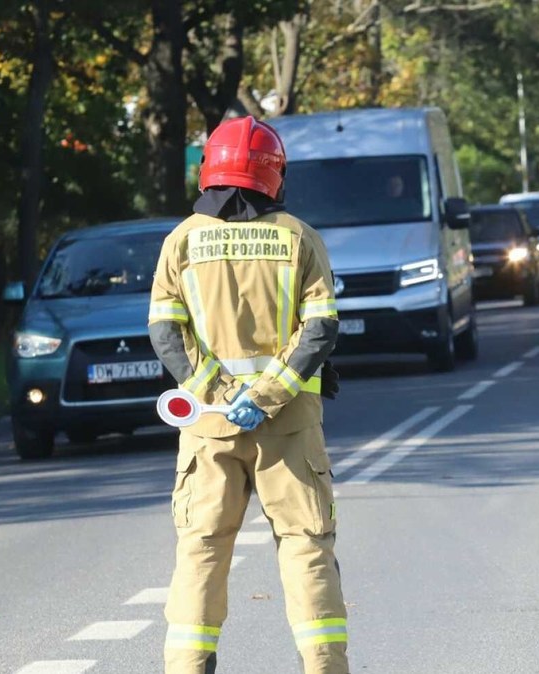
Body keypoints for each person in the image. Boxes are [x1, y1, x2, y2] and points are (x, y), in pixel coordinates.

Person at [148, 116, 348, 674]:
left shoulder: (181, 240)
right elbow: (321, 330)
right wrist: (263, 396)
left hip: (209, 428)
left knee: (202, 550)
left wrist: (214, 390)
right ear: (274, 176)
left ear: (209, 172)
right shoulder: (298, 237)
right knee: (306, 546)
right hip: (288, 426)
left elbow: (166, 331)